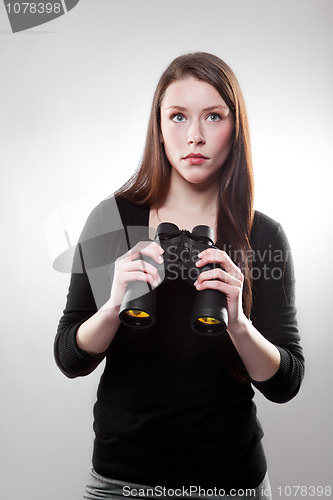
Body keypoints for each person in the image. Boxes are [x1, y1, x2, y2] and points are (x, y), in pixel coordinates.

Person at [55, 52, 304, 499]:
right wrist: (114, 306)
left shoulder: (261, 234)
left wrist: (240, 323)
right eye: (177, 117)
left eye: (213, 116)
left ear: (236, 127)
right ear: (159, 126)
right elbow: (70, 357)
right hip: (121, 480)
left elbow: (286, 383)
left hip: (231, 481)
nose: (194, 135)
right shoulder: (112, 219)